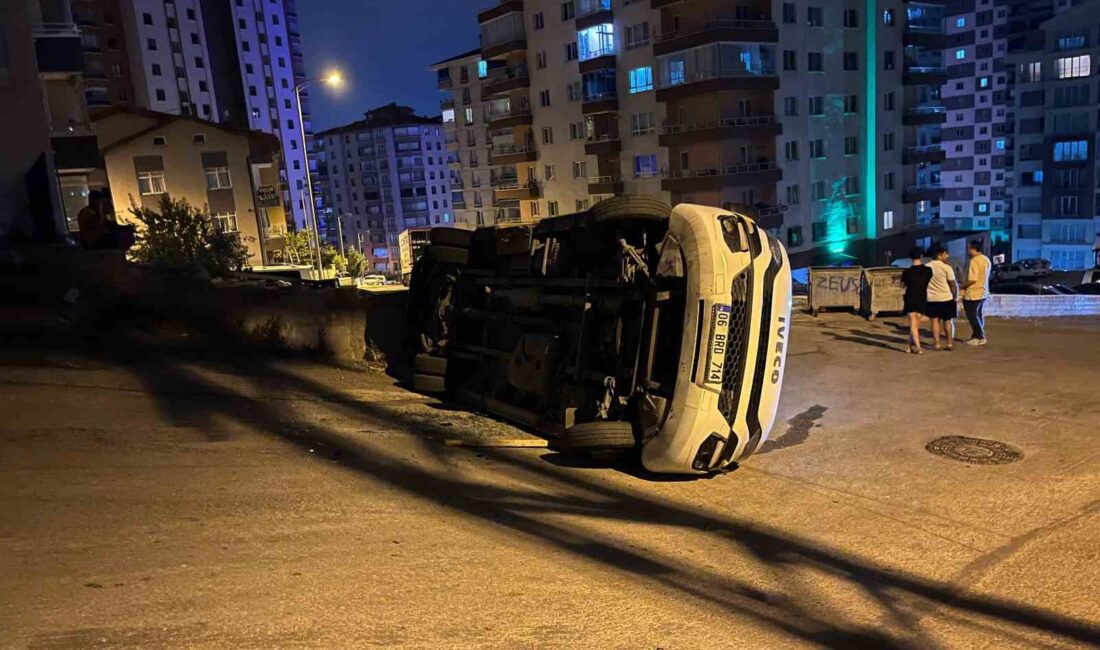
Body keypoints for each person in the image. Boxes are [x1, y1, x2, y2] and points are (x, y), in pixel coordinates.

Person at [900, 247, 932, 354]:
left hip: (910, 298)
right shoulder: (928, 270)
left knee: (913, 324)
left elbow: (902, 285)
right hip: (922, 298)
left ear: (910, 257)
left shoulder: (907, 272)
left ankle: (918, 347)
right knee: (915, 324)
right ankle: (909, 346)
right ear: (921, 256)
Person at [925, 245, 958, 351]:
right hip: (946, 298)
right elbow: (952, 284)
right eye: (945, 254)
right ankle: (949, 343)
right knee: (947, 321)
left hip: (931, 298)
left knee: (934, 321)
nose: (947, 256)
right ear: (939, 255)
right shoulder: (947, 268)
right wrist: (955, 297)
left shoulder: (926, 267)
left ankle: (937, 344)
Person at [960, 239, 991, 346]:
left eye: (969, 248)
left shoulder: (974, 261)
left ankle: (980, 336)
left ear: (973, 249)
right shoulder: (986, 259)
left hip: (974, 293)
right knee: (978, 314)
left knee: (972, 315)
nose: (968, 251)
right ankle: (976, 335)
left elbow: (972, 279)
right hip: (983, 291)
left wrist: (962, 286)